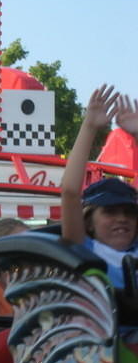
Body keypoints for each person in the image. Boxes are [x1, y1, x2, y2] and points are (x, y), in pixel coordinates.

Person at [61, 84, 138, 289]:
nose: (122, 218)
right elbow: (69, 192)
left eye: (129, 212)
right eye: (110, 211)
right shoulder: (83, 248)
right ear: (89, 222)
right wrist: (89, 126)